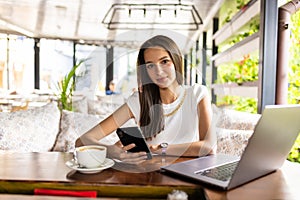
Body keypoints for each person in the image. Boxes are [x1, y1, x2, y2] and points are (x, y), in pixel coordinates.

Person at [75, 35, 216, 164]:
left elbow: (208, 147)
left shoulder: (197, 94)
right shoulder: (139, 101)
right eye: (150, 65)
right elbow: (82, 141)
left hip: (187, 174)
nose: (159, 72)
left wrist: (160, 149)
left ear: (176, 61)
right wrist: (112, 151)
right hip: (150, 175)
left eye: (164, 61)